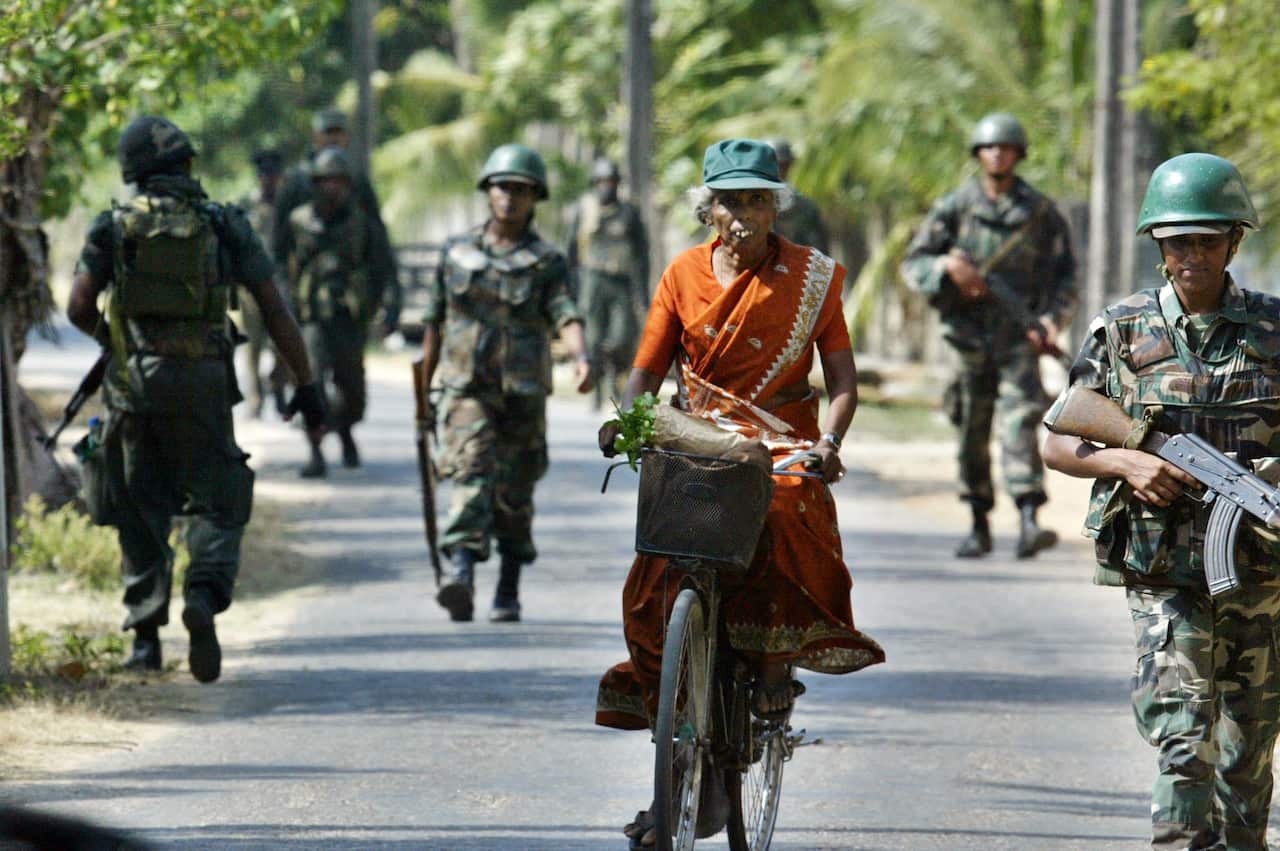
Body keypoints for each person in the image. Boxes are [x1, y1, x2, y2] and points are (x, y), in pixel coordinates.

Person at [595, 138, 884, 847]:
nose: (743, 214)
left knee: (784, 518)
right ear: (708, 208)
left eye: (757, 199)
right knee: (653, 580)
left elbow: (842, 382)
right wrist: (631, 422)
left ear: (775, 204)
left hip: (784, 448)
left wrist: (827, 444)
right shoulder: (681, 275)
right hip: (698, 441)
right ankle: (685, 755)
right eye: (730, 200)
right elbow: (644, 373)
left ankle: (771, 672)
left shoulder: (813, 279)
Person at [1043, 153, 1280, 851]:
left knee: (1249, 750)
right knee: (1185, 737)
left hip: (1261, 576)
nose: (1193, 256)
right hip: (1163, 572)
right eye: (1179, 242)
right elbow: (1058, 437)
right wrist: (1127, 460)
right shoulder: (1121, 330)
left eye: (1207, 240)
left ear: (1235, 241)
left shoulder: (1273, 330)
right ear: (1159, 246)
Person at [66, 116, 325, 683]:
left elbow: (79, 307)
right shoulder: (224, 224)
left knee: (140, 503)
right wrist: (306, 384)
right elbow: (275, 310)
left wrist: (117, 343)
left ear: (131, 171)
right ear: (188, 165)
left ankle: (145, 640)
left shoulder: (113, 226)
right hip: (205, 382)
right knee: (219, 497)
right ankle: (203, 595)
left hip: (135, 384)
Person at [419, 143, 593, 623]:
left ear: (535, 197)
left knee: (516, 492)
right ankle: (461, 573)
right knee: (470, 475)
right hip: (466, 389)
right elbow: (434, 322)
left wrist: (581, 357)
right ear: (487, 192)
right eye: (502, 188)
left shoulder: (546, 261)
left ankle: (508, 587)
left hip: (522, 394)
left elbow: (565, 311)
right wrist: (424, 389)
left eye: (520, 190)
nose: (510, 198)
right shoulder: (455, 254)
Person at [900, 111, 1077, 559]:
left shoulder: (1038, 212)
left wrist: (1054, 321)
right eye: (990, 147)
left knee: (1020, 422)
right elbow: (914, 262)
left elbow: (1065, 276)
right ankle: (978, 522)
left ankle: (1028, 519)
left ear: (1018, 154)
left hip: (1017, 336)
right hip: (967, 337)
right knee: (971, 428)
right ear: (978, 154)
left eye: (1006, 147)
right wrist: (948, 268)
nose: (998, 154)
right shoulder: (956, 207)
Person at [279, 146, 398, 477]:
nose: (332, 188)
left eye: (339, 181)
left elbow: (382, 268)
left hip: (348, 316)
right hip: (311, 316)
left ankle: (344, 430)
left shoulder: (363, 224)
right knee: (311, 383)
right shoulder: (297, 221)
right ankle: (316, 450)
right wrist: (284, 306)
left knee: (352, 390)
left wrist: (383, 307)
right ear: (314, 184)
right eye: (325, 181)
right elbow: (277, 263)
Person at [271, 107, 400, 331]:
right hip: (304, 300)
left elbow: (379, 242)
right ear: (316, 136)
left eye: (338, 133)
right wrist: (283, 299)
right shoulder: (296, 182)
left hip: (348, 301)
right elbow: (278, 248)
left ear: (346, 137)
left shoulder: (357, 181)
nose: (333, 138)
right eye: (328, 132)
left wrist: (391, 296)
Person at [565, 157, 650, 410]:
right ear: (595, 183)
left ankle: (615, 377)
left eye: (611, 182)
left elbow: (641, 253)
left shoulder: (629, 212)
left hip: (620, 280)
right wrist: (570, 287)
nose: (607, 187)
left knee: (622, 336)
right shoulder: (584, 209)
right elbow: (570, 250)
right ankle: (596, 388)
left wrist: (642, 290)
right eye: (602, 182)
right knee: (592, 336)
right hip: (592, 279)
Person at [239, 148, 291, 418]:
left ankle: (278, 383)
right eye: (264, 175)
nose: (268, 180)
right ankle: (256, 400)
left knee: (283, 343)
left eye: (273, 175)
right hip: (250, 289)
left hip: (281, 284)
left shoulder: (287, 206)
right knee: (252, 346)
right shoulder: (246, 206)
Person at [767, 138, 830, 253]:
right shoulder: (750, 206)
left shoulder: (806, 207)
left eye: (784, 165)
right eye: (774, 165)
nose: (779, 171)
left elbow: (820, 250)